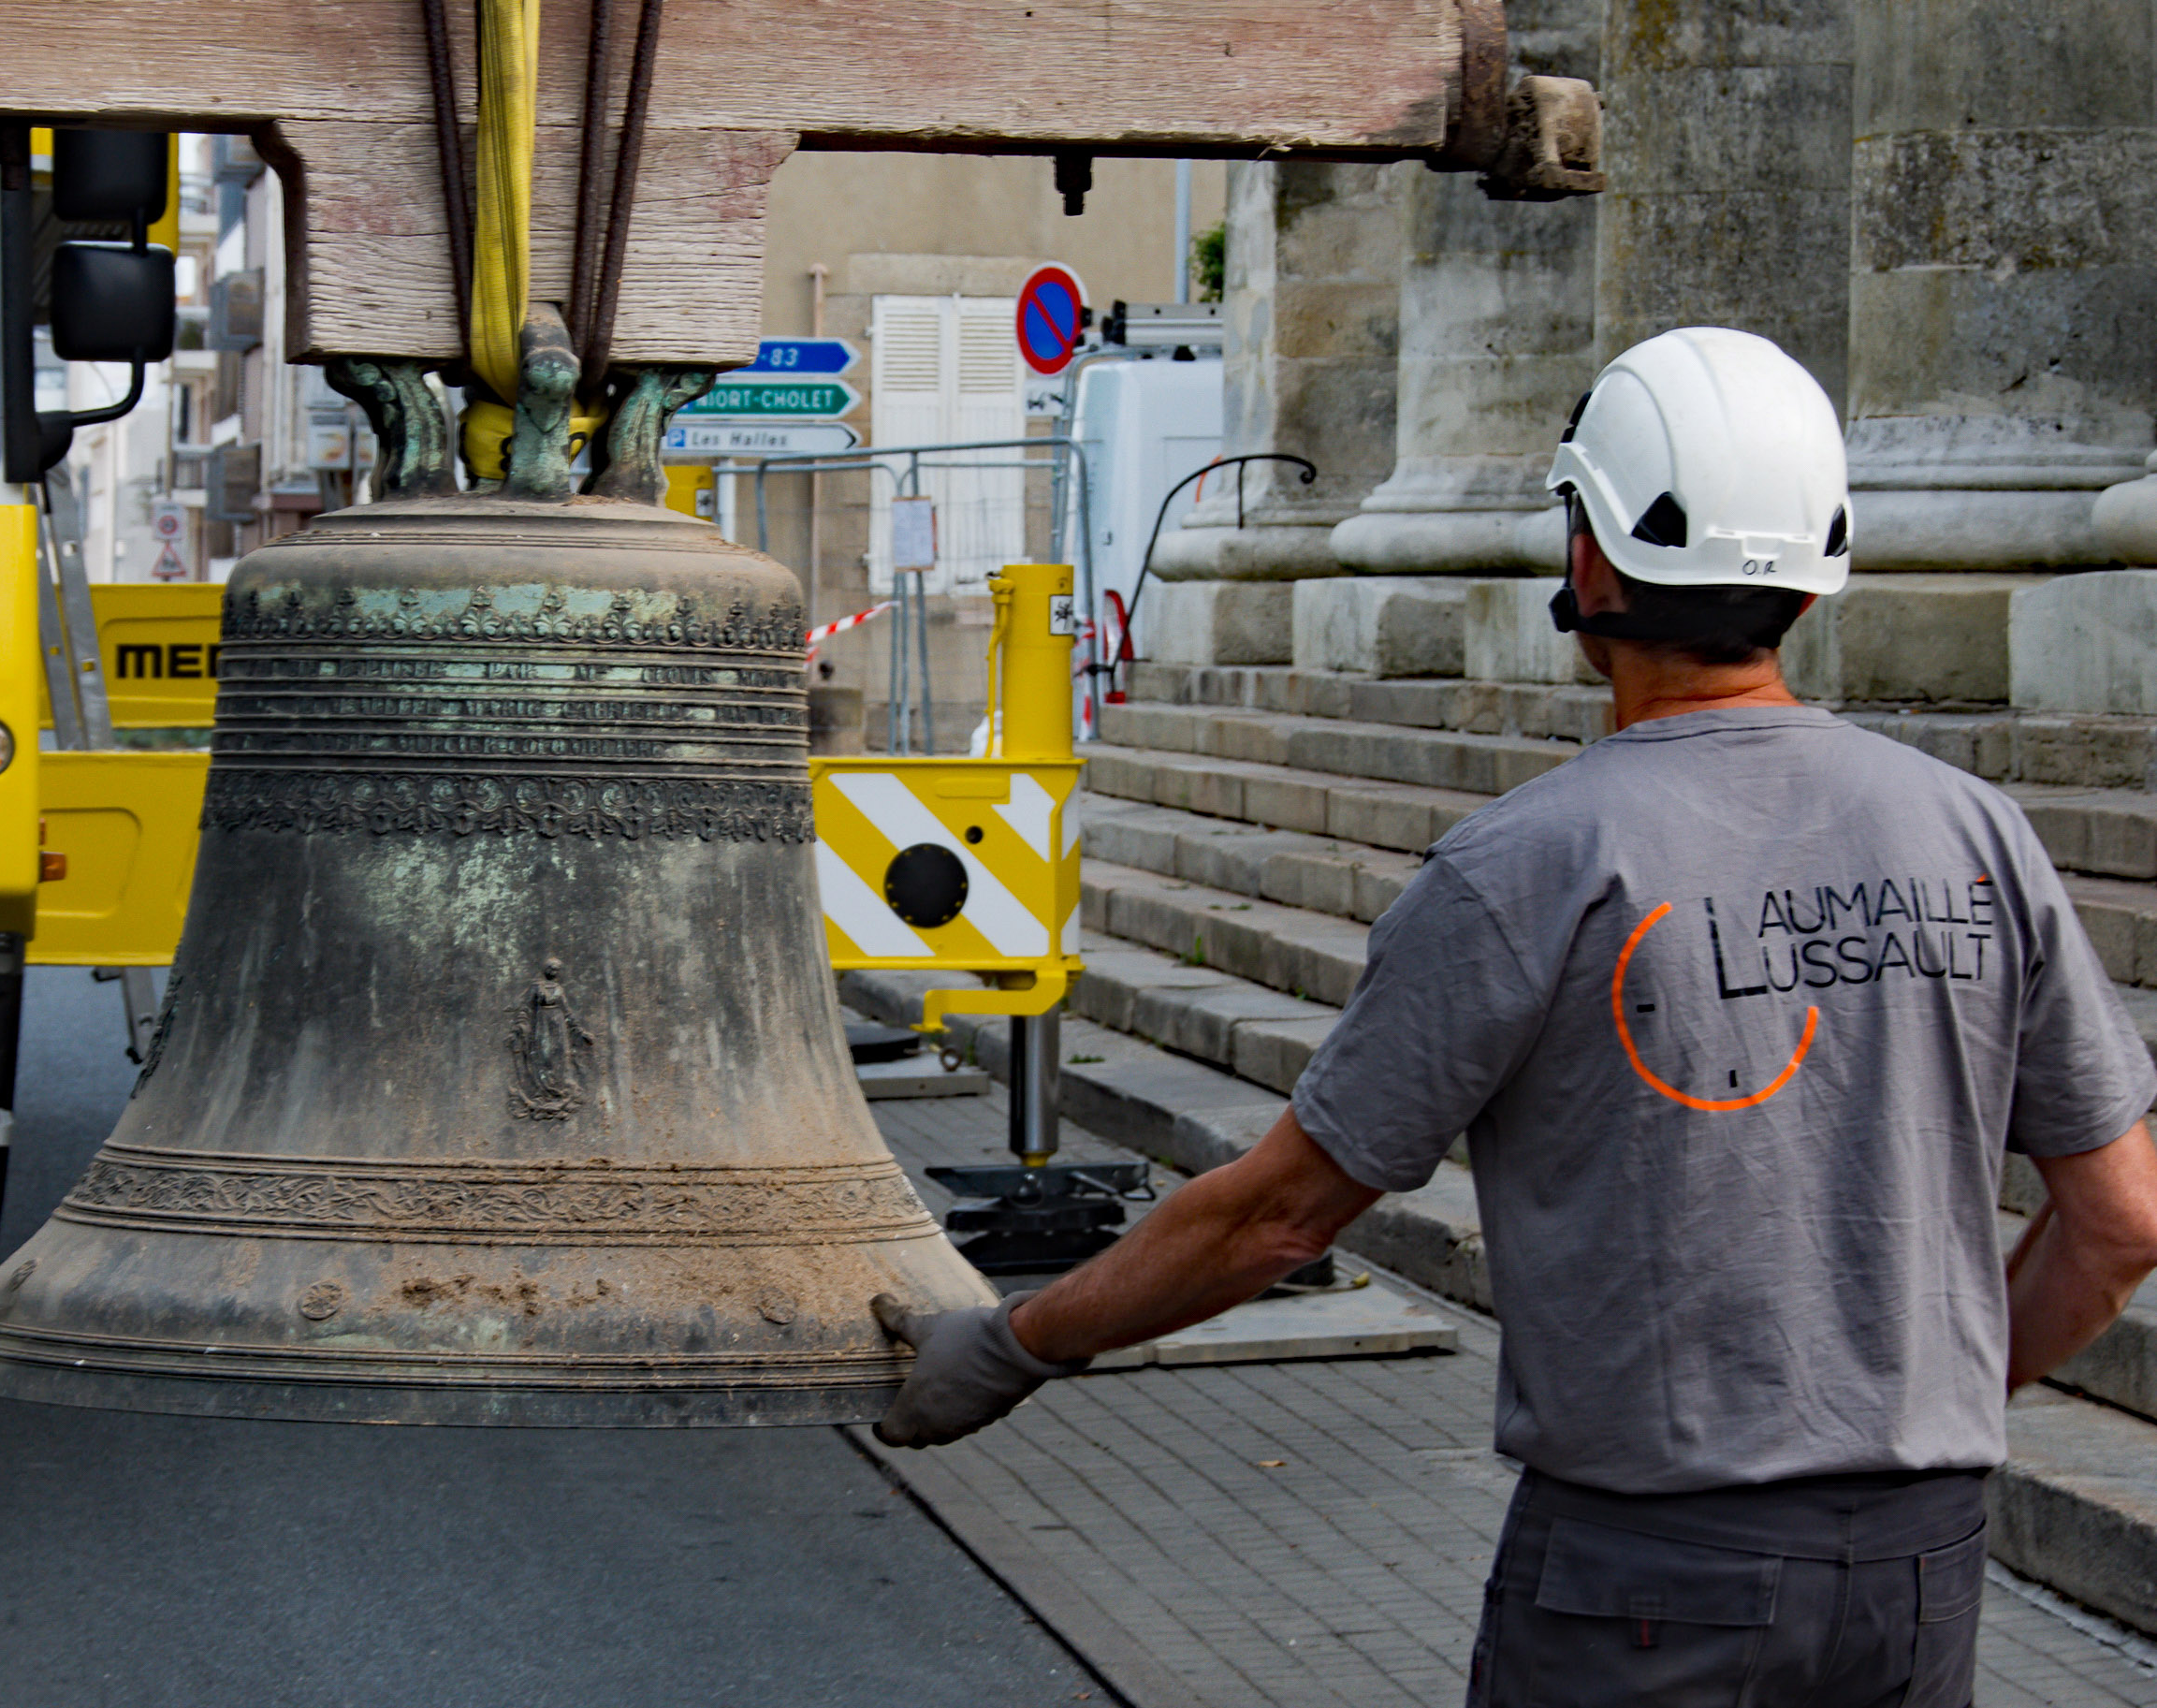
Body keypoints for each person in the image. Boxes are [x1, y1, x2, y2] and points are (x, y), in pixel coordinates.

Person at [871, 327, 2157, 1706]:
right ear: (1811, 569)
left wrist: (1013, 1343)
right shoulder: (1974, 833)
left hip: (1648, 1577)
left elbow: (1277, 1217)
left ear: (1590, 559)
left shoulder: (1526, 863)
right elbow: (2121, 1220)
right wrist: (1913, 1407)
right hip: (1920, 1565)